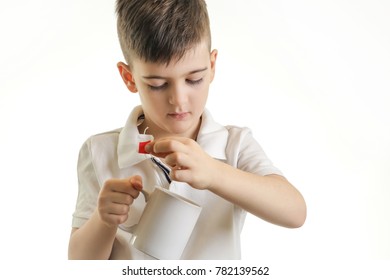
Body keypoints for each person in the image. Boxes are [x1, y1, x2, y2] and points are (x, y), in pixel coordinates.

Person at [68, 0, 306, 260]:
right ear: (129, 78)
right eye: (158, 84)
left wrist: (214, 173)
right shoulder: (100, 151)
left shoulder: (233, 145)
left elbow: (295, 212)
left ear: (212, 66)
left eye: (194, 79)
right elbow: (80, 263)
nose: (179, 100)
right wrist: (104, 220)